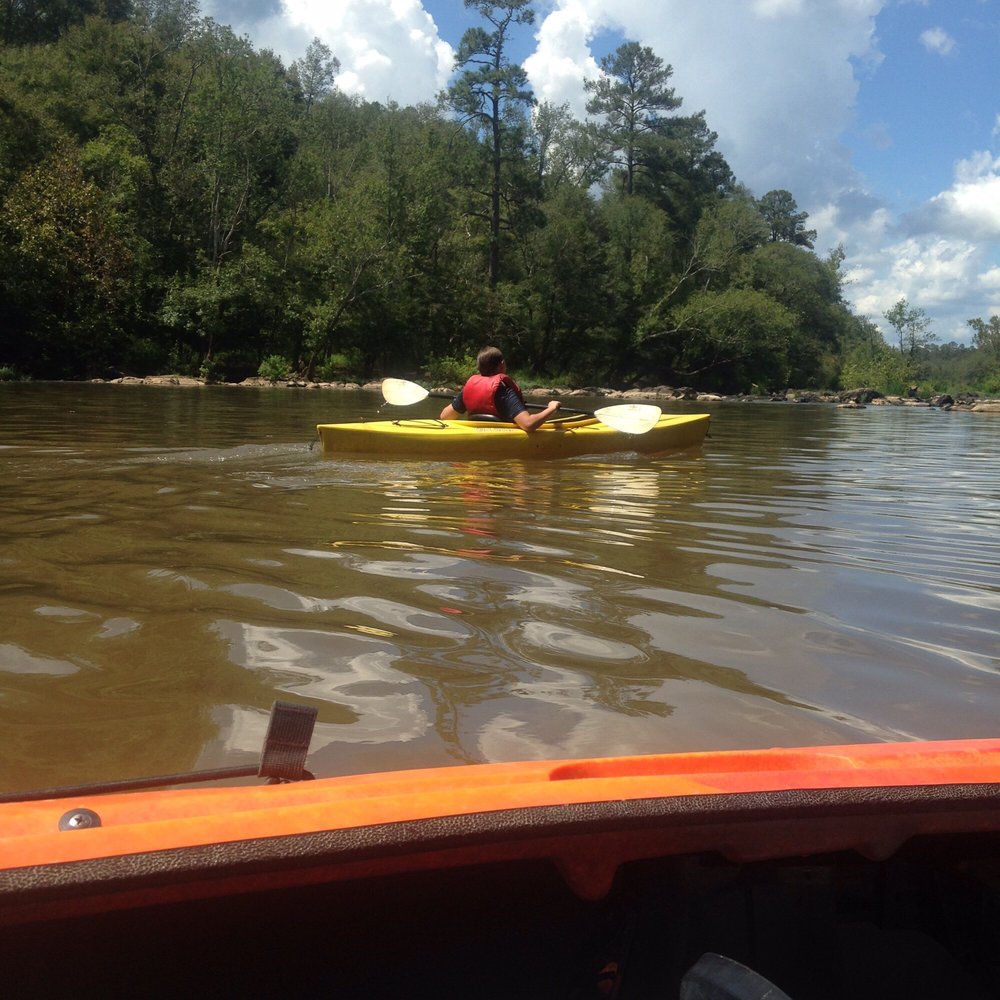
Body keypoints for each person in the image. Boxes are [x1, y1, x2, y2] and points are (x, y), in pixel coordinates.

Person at [439, 346, 561, 432]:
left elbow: (445, 416)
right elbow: (528, 424)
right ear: (502, 364)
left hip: (477, 435)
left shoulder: (470, 388)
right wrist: (551, 408)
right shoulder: (504, 391)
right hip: (501, 438)